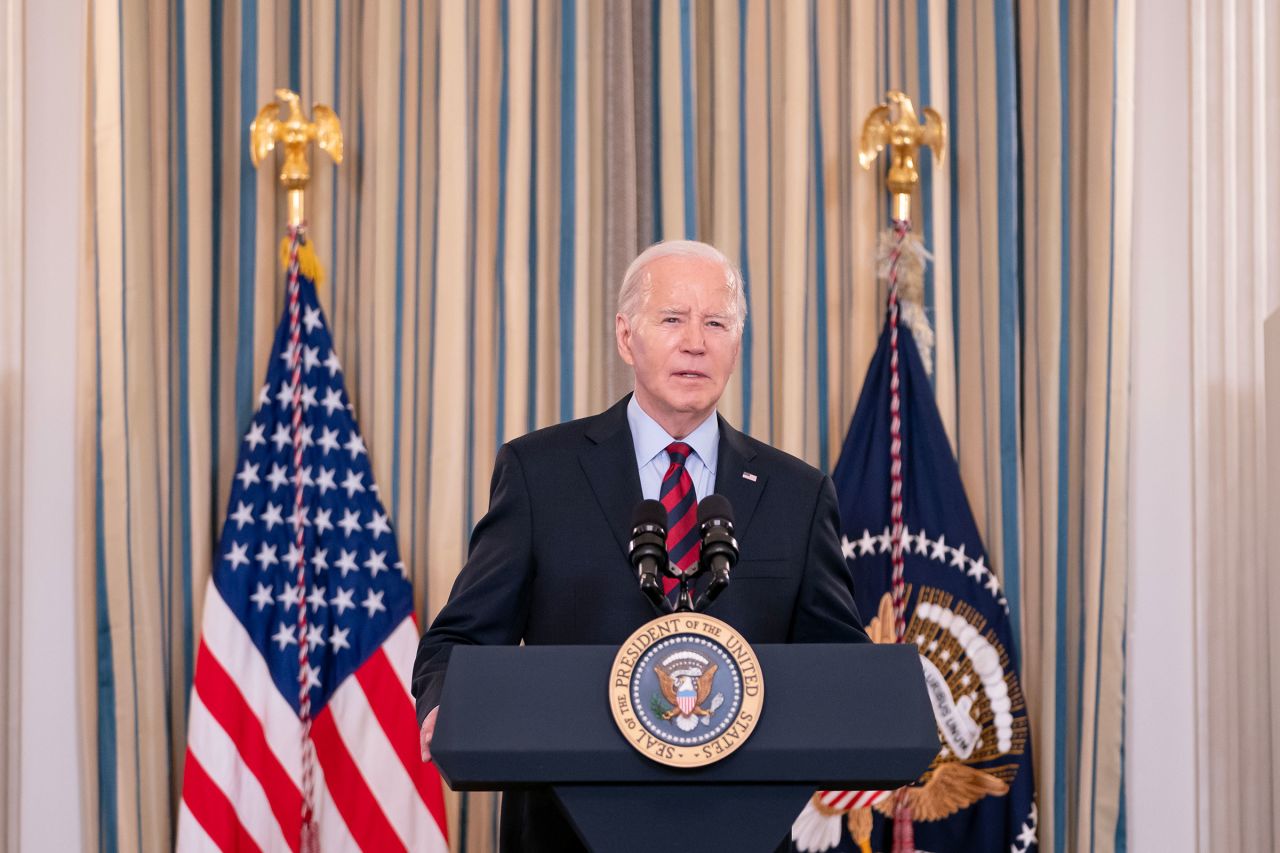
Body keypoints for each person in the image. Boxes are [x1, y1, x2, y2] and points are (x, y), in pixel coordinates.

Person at [412, 240, 869, 851]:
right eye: (673, 319)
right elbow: (458, 640)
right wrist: (448, 703)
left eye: (717, 322)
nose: (695, 341)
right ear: (627, 337)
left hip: (741, 831)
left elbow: (838, 665)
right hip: (566, 832)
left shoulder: (798, 493)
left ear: (736, 343)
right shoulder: (539, 472)